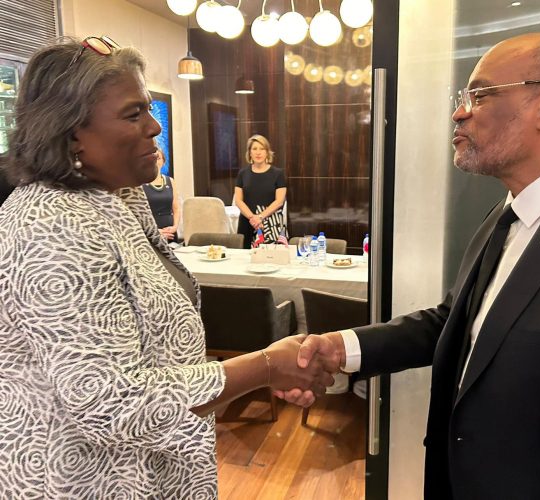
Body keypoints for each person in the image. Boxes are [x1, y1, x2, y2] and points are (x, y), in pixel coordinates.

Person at [280, 33, 540, 499]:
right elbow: (455, 324)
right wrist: (342, 348)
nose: (459, 112)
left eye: (480, 95)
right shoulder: (508, 215)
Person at [0, 37, 334, 498]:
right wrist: (263, 368)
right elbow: (110, 402)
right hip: (84, 478)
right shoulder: (49, 226)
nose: (155, 127)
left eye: (149, 110)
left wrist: (252, 375)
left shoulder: (119, 195)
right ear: (71, 130)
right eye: (134, 114)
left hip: (157, 463)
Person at [234, 134, 287, 248]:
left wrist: (260, 217)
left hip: (270, 223)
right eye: (254, 149)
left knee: (270, 259)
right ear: (250, 153)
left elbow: (279, 201)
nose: (258, 152)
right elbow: (238, 200)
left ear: (267, 152)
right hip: (247, 222)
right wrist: (252, 218)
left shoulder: (278, 174)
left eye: (262, 148)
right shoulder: (242, 173)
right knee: (245, 259)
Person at [142, 147, 180, 242]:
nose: (155, 161)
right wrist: (155, 232)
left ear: (163, 161)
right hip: (150, 233)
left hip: (170, 233)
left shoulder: (170, 181)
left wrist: (174, 227)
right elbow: (139, 214)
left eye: (158, 158)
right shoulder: (140, 183)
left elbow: (176, 208)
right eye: (152, 158)